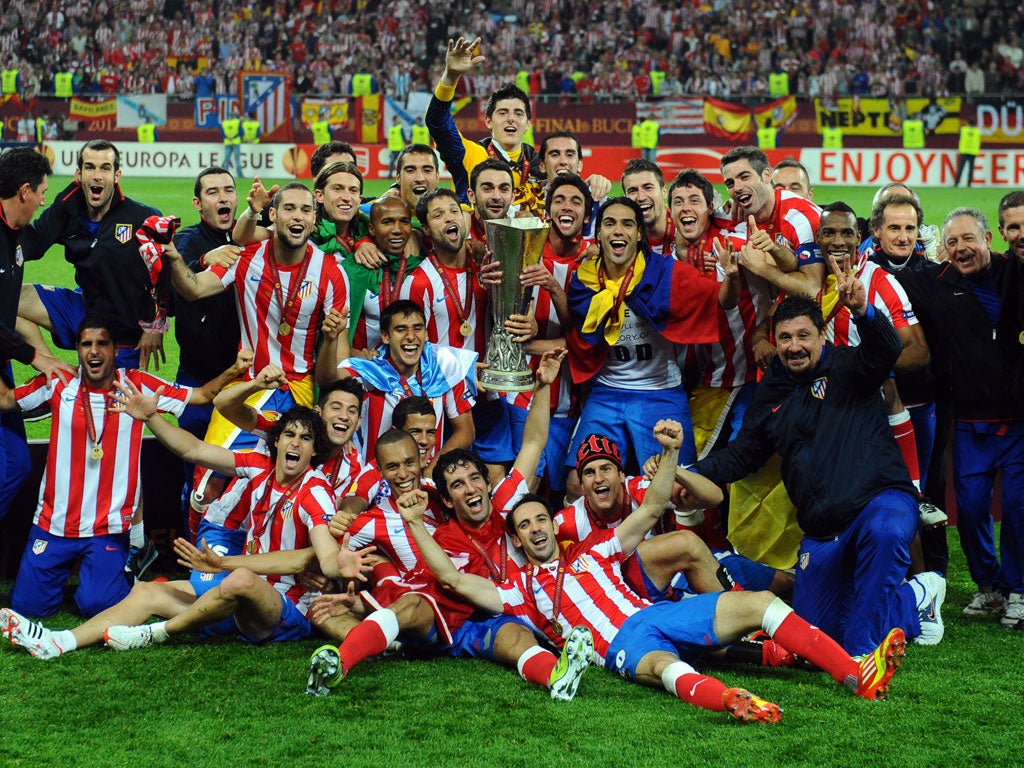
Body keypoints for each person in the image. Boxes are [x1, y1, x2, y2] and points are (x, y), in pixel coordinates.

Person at [400, 420, 909, 722]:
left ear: (553, 527)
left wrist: (669, 451)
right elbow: (453, 578)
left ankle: (854, 674)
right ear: (517, 538)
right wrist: (416, 525)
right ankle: (731, 700)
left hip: (656, 614)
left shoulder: (596, 547)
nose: (536, 529)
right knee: (668, 669)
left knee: (762, 604)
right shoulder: (518, 590)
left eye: (540, 520)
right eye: (525, 525)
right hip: (619, 646)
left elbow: (655, 505)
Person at [307, 350, 595, 701]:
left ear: (487, 483)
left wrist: (544, 387)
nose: (471, 488)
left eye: (475, 479)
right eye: (458, 485)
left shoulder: (504, 503)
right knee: (412, 605)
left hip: (492, 615)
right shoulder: (444, 537)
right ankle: (340, 664)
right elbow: (425, 582)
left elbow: (533, 442)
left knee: (517, 639)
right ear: (446, 500)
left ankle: (557, 679)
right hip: (444, 622)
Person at [692, 268, 946, 657]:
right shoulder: (771, 392)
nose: (795, 346)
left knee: (884, 533)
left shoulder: (851, 367)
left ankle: (862, 655)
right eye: (785, 338)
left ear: (822, 336)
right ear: (775, 343)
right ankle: (915, 598)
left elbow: (886, 349)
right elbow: (742, 455)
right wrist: (688, 472)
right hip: (823, 530)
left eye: (804, 336)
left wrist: (864, 312)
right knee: (818, 637)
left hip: (880, 501)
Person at [0, 399, 353, 657]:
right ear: (276, 441)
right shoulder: (260, 468)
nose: (295, 443)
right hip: (239, 600)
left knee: (241, 579)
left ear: (312, 451)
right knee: (145, 594)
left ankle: (157, 633)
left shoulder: (315, 491)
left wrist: (224, 564)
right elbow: (194, 448)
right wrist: (150, 416)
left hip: (281, 610)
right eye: (289, 434)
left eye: (305, 439)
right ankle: (58, 641)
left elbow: (323, 557)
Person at [0, 314, 245, 619]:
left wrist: (236, 370)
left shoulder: (137, 385)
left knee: (96, 605)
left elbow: (202, 395)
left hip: (108, 529)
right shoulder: (58, 383)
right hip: (53, 525)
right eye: (86, 344)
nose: (94, 351)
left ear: (116, 350)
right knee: (27, 608)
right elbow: (6, 400)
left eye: (102, 343)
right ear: (77, 350)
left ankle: (130, 569)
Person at [897, 205, 1024, 629]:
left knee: (1018, 505)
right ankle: (989, 587)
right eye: (951, 242)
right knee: (969, 509)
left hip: (1018, 420)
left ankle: (1019, 590)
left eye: (968, 238)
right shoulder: (934, 282)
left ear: (990, 239)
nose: (960, 248)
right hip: (969, 421)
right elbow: (886, 281)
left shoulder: (1015, 273)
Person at [565, 196, 733, 476]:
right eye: (609, 223)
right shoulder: (583, 280)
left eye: (627, 224)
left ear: (639, 234)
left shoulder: (666, 272)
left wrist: (732, 277)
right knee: (575, 482)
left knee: (676, 486)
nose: (618, 230)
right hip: (606, 392)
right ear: (598, 235)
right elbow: (576, 335)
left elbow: (721, 301)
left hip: (661, 393)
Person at [17, 140, 165, 372]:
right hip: (83, 308)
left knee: (113, 403)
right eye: (90, 167)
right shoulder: (67, 210)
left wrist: (154, 326)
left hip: (124, 331)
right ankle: (54, 369)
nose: (97, 175)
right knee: (9, 297)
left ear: (117, 175)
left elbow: (166, 276)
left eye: (105, 168)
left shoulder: (142, 218)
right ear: (79, 174)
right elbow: (31, 245)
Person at [0, 148, 75, 522]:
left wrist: (76, 188)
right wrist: (36, 357)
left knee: (15, 464)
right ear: (25, 191)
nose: (44, 199)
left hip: (2, 364)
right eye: (44, 191)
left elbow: (41, 236)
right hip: (6, 360)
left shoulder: (14, 235)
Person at [170, 167, 243, 521]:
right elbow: (171, 273)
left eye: (229, 190)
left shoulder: (252, 237)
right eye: (213, 192)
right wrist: (203, 261)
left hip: (244, 381)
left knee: (239, 469)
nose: (224, 197)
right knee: (194, 470)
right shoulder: (189, 239)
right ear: (199, 203)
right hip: (196, 377)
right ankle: (191, 552)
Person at [331, 298, 476, 469]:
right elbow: (329, 379)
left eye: (418, 328)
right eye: (401, 330)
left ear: (426, 334)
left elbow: (466, 432)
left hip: (428, 475)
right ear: (385, 336)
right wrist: (332, 339)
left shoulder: (446, 367)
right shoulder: (368, 371)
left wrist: (431, 472)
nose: (410, 337)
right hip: (376, 477)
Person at [426, 37, 543, 215]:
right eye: (502, 113)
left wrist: (597, 182)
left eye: (518, 113)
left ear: (528, 123)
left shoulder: (539, 163)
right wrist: (450, 77)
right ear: (488, 121)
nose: (511, 119)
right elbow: (438, 122)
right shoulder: (471, 154)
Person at [718, 146, 821, 298]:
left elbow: (813, 290)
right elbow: (686, 220)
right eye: (730, 183)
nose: (737, 188)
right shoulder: (736, 212)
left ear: (767, 175)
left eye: (745, 177)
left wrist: (763, 269)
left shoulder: (801, 217)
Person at [621, 159, 674, 256]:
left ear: (664, 191)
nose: (641, 197)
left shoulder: (685, 230)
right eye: (632, 191)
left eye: (648, 187)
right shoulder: (621, 237)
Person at [221, 107, 243, 177]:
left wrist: (228, 137)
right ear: (235, 116)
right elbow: (241, 132)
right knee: (237, 159)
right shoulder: (237, 122)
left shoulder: (225, 122)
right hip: (236, 142)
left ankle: (224, 174)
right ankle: (240, 174)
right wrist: (234, 137)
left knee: (226, 159)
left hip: (228, 142)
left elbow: (222, 133)